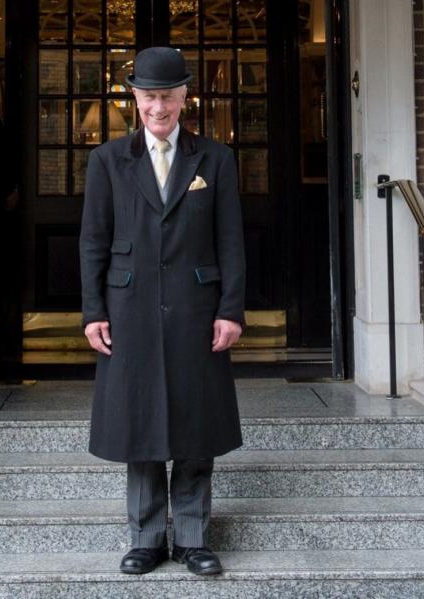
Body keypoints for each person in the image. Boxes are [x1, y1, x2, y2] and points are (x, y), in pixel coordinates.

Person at [79, 46, 247, 576]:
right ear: (135, 98)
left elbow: (231, 241)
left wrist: (231, 310)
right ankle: (147, 538)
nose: (158, 108)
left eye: (167, 97)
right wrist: (92, 311)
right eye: (149, 96)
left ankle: (194, 538)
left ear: (184, 98)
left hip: (198, 308)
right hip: (127, 307)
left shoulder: (214, 158)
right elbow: (93, 241)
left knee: (196, 422)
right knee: (140, 420)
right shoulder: (107, 159)